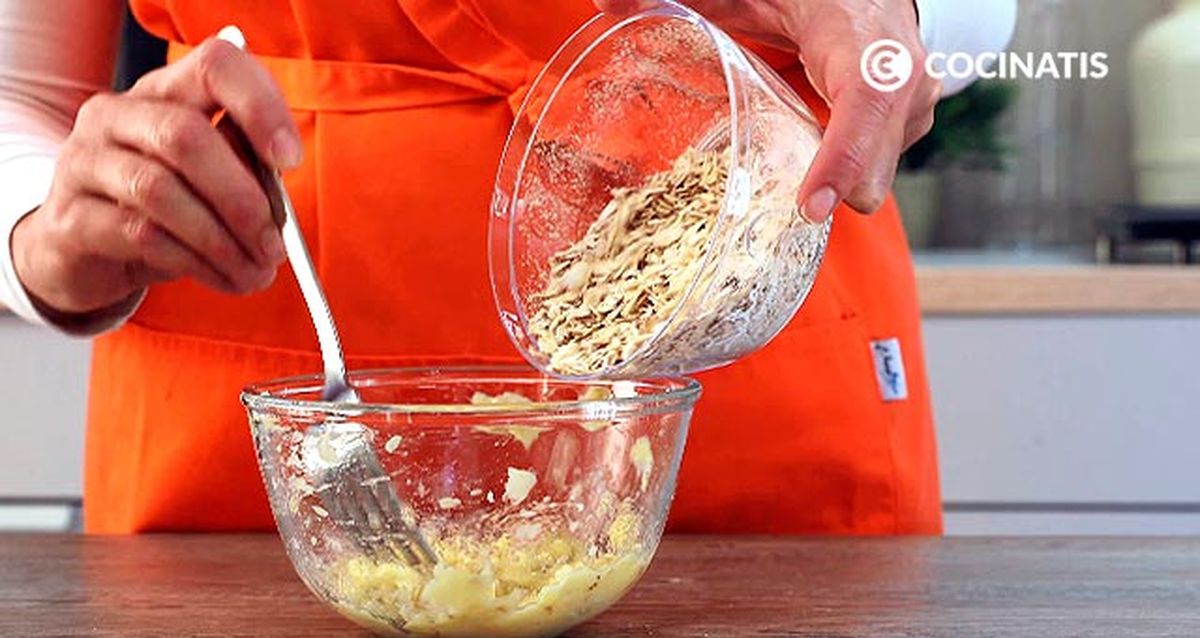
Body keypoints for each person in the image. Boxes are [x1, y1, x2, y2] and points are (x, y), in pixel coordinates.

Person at [0, 0, 1015, 534]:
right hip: (263, 433)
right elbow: (18, 99)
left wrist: (898, 15)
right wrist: (47, 236)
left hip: (750, 287)